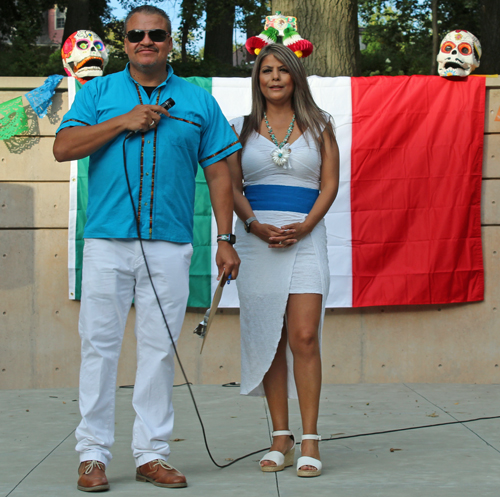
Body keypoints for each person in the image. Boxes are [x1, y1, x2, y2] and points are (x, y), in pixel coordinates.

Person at [53, 5, 240, 492]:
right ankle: (92, 455)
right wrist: (123, 122)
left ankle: (151, 454)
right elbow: (64, 146)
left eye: (157, 34)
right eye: (137, 34)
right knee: (99, 348)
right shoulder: (98, 93)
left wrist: (224, 238)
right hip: (107, 243)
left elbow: (220, 170)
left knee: (159, 352)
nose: (146, 41)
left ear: (170, 42)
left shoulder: (196, 100)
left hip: (170, 244)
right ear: (125, 41)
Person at [227, 43, 339, 478]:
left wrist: (307, 225)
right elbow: (231, 186)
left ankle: (310, 437)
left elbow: (329, 183)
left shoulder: (320, 124)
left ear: (295, 76)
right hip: (258, 240)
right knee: (271, 337)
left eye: (282, 70)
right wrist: (252, 225)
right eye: (265, 71)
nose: (273, 77)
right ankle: (281, 437)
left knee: (304, 335)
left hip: (306, 235)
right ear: (257, 79)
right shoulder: (240, 128)